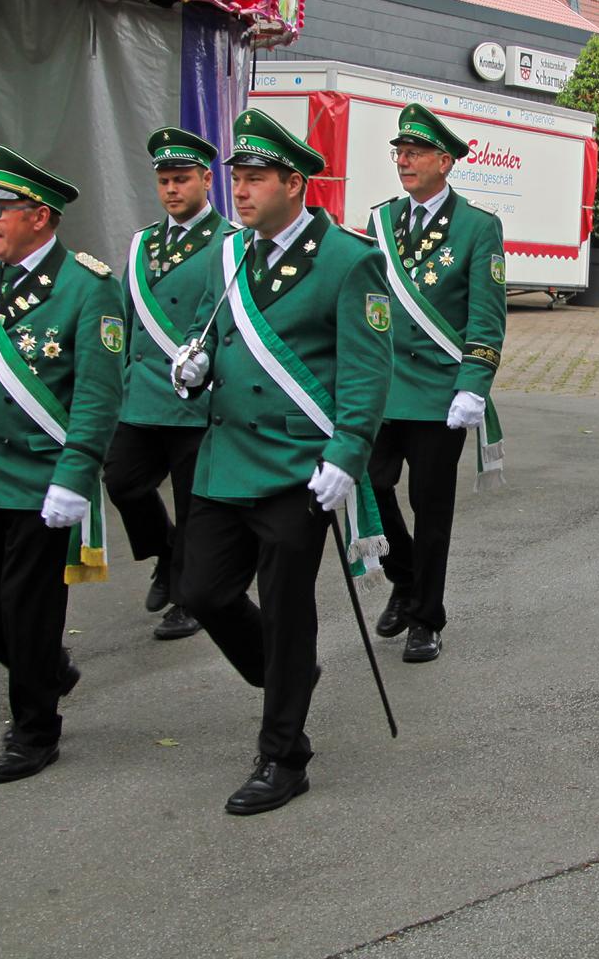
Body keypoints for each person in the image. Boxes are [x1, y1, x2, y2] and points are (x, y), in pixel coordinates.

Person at [172, 108, 393, 815]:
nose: (239, 191)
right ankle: (287, 672)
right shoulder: (228, 254)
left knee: (287, 609)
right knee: (202, 592)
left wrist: (347, 454)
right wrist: (193, 365)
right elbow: (207, 327)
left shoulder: (348, 260)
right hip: (227, 456)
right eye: (235, 178)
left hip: (300, 467)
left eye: (255, 178)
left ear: (295, 183)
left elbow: (367, 372)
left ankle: (283, 755)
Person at [0, 147, 123, 783]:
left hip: (41, 477)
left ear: (39, 217)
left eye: (1, 208)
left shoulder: (89, 288)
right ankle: (48, 669)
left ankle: (35, 729)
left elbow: (98, 395)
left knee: (28, 609)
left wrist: (77, 474)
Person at [365, 103, 507, 665]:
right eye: (399, 153)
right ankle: (404, 578)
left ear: (444, 162)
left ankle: (426, 617)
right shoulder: (381, 221)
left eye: (415, 153)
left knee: (431, 508)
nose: (404, 161)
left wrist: (474, 383)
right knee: (369, 485)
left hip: (440, 395)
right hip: (384, 389)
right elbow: (367, 305)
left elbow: (486, 317)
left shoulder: (477, 227)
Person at [104, 127, 234, 641]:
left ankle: (187, 599)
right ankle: (165, 550)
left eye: (182, 179)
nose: (172, 190)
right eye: (164, 181)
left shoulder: (231, 243)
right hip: (142, 394)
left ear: (206, 180)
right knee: (122, 481)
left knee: (192, 502)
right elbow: (125, 317)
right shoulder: (143, 243)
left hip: (195, 399)